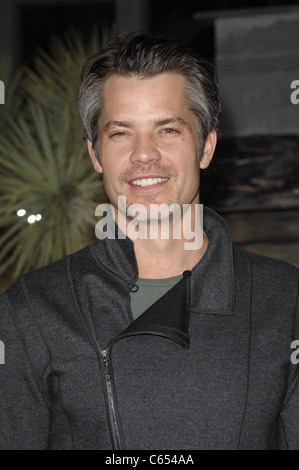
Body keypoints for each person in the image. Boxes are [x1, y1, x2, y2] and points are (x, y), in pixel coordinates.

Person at [0, 33, 299, 450]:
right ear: (95, 154)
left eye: (168, 130)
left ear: (206, 146)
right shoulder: (32, 309)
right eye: (121, 133)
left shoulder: (285, 300)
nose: (145, 155)